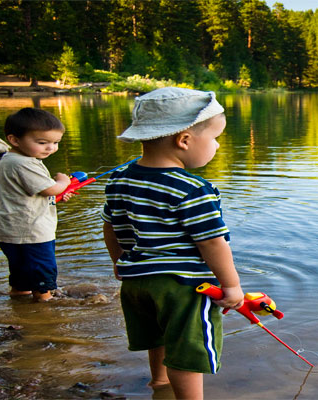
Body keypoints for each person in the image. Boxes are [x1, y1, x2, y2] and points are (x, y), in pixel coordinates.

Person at [100, 87, 244, 400]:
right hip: (181, 287)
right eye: (215, 137)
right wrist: (231, 287)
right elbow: (213, 244)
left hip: (136, 283)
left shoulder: (120, 179)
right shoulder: (193, 189)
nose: (218, 145)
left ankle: (158, 383)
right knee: (187, 350)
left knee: (158, 335)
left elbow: (110, 227)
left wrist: (118, 263)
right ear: (184, 140)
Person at [0, 108, 74, 302]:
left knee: (21, 278)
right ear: (14, 140)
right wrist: (63, 182)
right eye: (42, 143)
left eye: (55, 143)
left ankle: (19, 303)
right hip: (32, 233)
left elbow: (29, 195)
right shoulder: (23, 163)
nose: (50, 148)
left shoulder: (11, 159)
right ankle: (45, 315)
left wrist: (58, 197)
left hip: (12, 230)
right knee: (42, 279)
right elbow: (50, 189)